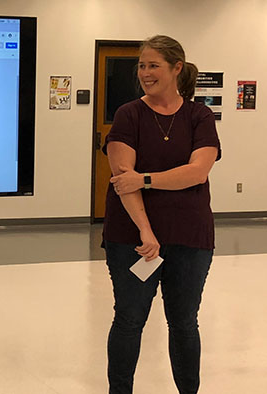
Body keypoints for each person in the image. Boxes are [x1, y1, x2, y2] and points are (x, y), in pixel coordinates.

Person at [102, 35, 221, 394]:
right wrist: (146, 231)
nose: (145, 73)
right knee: (129, 319)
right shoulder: (128, 114)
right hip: (134, 239)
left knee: (184, 323)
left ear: (176, 68)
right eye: (142, 65)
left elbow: (198, 172)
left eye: (154, 65)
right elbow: (124, 182)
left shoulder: (199, 116)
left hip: (190, 237)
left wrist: (147, 178)